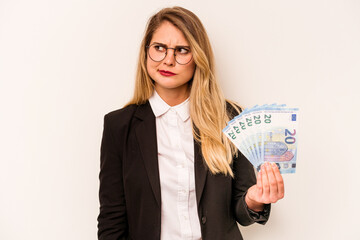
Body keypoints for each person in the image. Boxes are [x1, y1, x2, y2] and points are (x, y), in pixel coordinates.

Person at [97, 6, 284, 240]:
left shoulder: (232, 118)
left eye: (182, 50)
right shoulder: (119, 126)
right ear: (146, 52)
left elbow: (243, 214)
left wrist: (254, 199)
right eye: (159, 48)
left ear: (198, 57)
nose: (168, 60)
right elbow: (111, 220)